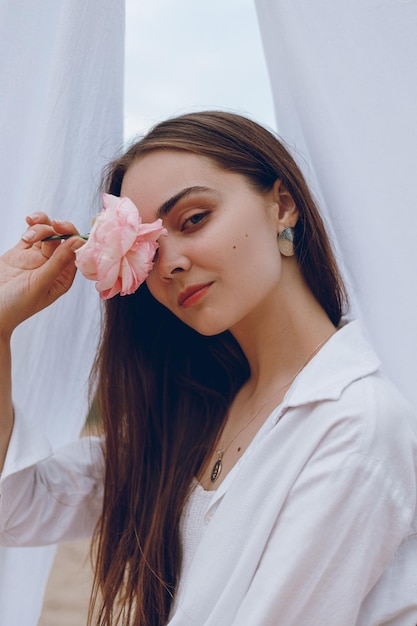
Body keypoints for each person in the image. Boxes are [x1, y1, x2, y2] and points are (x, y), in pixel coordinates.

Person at [0, 111, 416, 626]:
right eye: (144, 248)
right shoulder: (196, 412)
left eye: (194, 219)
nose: (169, 262)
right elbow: (16, 506)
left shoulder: (354, 428)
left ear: (281, 205)